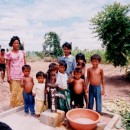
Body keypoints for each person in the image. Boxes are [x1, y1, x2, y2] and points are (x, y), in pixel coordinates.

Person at [5, 36, 26, 108]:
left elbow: (25, 64)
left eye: (18, 43)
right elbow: (7, 65)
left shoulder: (22, 52)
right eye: (15, 43)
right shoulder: (9, 53)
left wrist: (26, 74)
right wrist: (8, 76)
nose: (16, 44)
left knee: (21, 92)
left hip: (22, 76)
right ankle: (13, 107)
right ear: (12, 44)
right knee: (14, 92)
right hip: (13, 76)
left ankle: (20, 107)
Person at [58, 42, 76, 107]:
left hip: (69, 79)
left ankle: (69, 105)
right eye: (64, 49)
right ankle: (62, 106)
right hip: (61, 78)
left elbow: (74, 69)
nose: (65, 50)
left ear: (70, 50)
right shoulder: (61, 58)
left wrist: (71, 78)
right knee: (62, 92)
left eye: (67, 49)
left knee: (69, 93)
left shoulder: (72, 58)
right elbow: (58, 69)